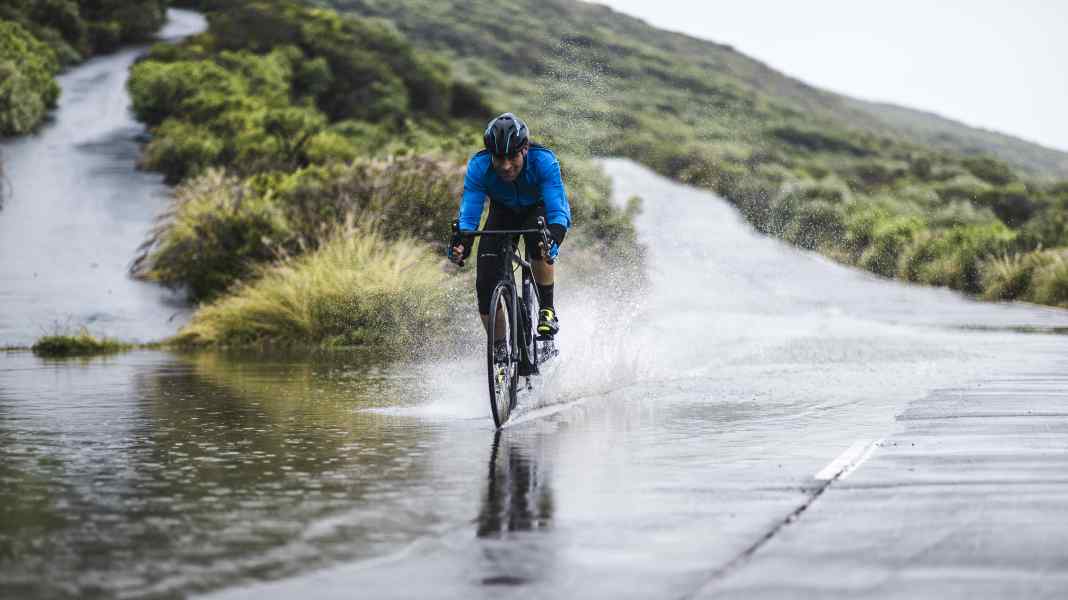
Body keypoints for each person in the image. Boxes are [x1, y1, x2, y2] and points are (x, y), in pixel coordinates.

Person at [449, 112, 571, 340]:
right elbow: (469, 215)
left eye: (512, 157)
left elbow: (557, 211)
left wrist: (553, 237)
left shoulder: (543, 161)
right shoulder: (479, 166)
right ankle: (499, 352)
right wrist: (461, 243)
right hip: (503, 212)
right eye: (498, 158)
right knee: (485, 284)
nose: (505, 166)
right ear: (490, 155)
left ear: (524, 149)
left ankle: (547, 310)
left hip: (538, 208)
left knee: (539, 239)